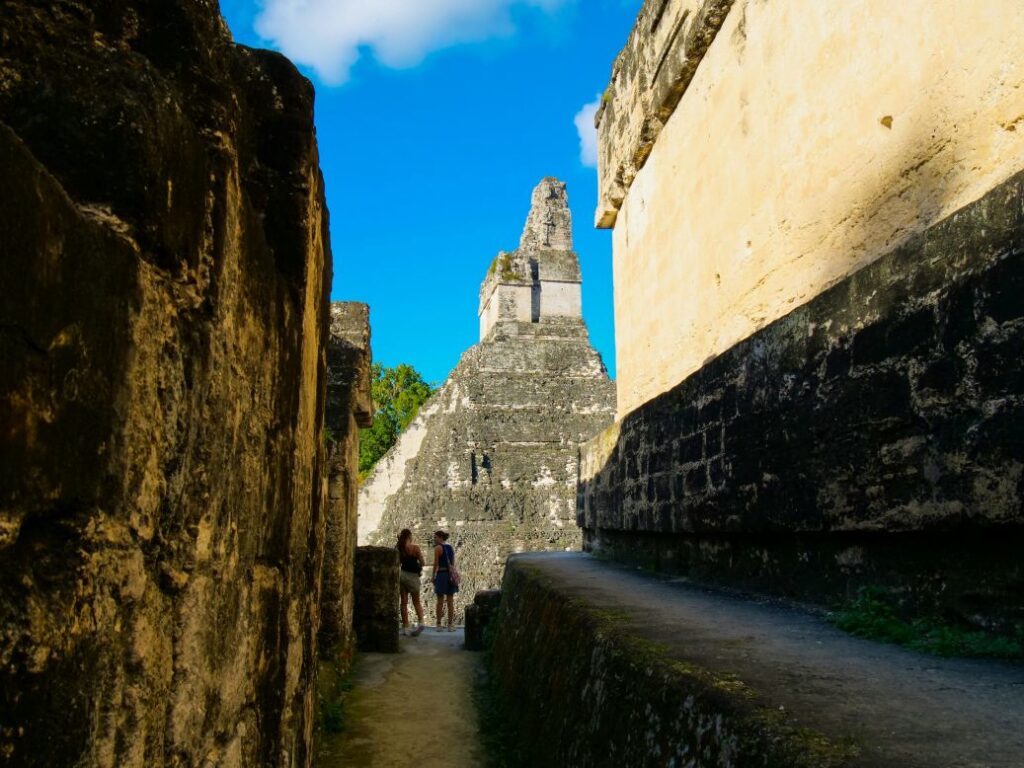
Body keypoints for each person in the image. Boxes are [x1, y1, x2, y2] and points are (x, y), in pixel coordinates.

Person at [396, 528, 425, 636]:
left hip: (402, 575)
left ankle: (406, 627)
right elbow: (423, 562)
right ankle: (421, 622)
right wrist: (417, 567)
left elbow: (397, 563)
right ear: (410, 537)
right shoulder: (415, 548)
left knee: (403, 602)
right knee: (416, 602)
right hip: (413, 577)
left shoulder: (400, 548)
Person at [431, 530, 459, 631]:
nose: (434, 539)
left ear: (440, 537)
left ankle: (438, 624)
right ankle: (450, 625)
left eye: (435, 537)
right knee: (450, 601)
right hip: (450, 575)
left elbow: (436, 564)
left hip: (441, 575)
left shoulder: (438, 548)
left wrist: (433, 576)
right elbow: (452, 563)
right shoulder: (450, 548)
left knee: (440, 601)